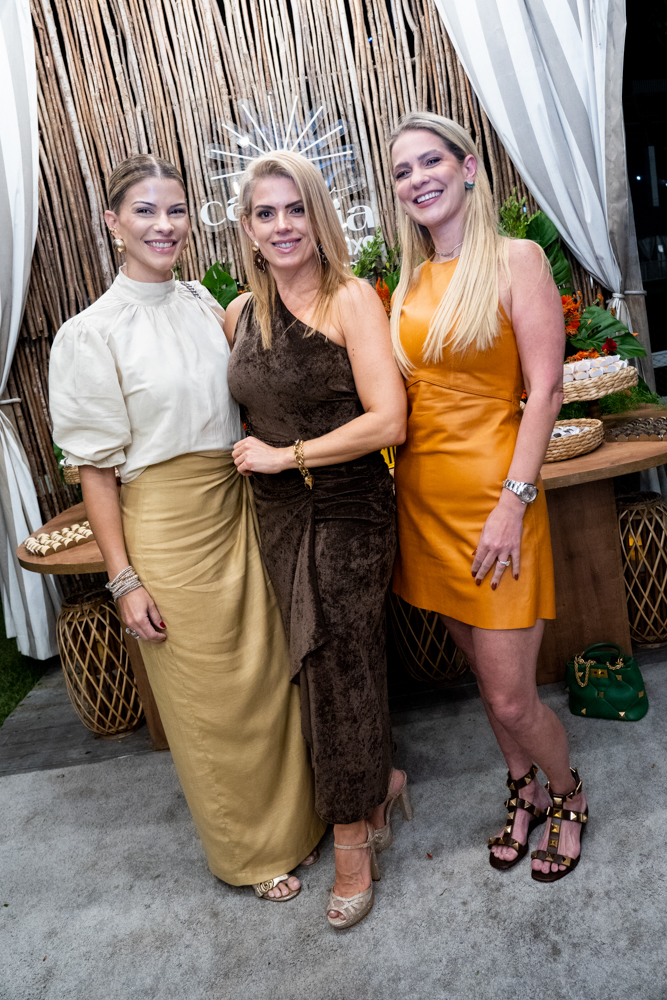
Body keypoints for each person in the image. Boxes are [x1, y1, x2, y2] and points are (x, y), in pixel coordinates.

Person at [49, 153, 325, 900]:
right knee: (210, 698)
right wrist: (124, 578)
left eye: (175, 210)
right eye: (145, 211)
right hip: (168, 527)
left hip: (241, 505)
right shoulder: (89, 334)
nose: (164, 225)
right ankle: (250, 851)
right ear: (113, 224)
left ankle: (300, 823)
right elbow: (96, 471)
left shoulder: (205, 302)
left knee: (268, 678)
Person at [389, 112, 588, 882]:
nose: (417, 179)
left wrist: (513, 500)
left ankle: (566, 794)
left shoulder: (515, 259)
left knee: (510, 698)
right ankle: (521, 788)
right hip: (423, 507)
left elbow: (545, 391)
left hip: (495, 505)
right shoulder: (410, 281)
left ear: (467, 167)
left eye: (429, 161)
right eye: (402, 171)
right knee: (482, 676)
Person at [225, 150, 410, 928]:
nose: (282, 226)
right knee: (315, 663)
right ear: (247, 227)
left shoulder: (350, 299)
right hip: (276, 514)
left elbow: (388, 421)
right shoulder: (239, 313)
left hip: (348, 505)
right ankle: (378, 786)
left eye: (294, 208)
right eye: (265, 213)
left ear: (318, 215)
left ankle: (350, 841)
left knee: (337, 660)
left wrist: (287, 455)